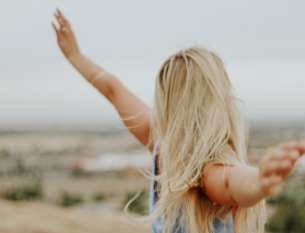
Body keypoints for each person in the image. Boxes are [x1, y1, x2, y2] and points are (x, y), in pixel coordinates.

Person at [52, 9, 305, 233]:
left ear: (168, 102)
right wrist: (260, 180)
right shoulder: (185, 158)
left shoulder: (181, 156)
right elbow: (230, 184)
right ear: (219, 102)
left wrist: (76, 55)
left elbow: (113, 90)